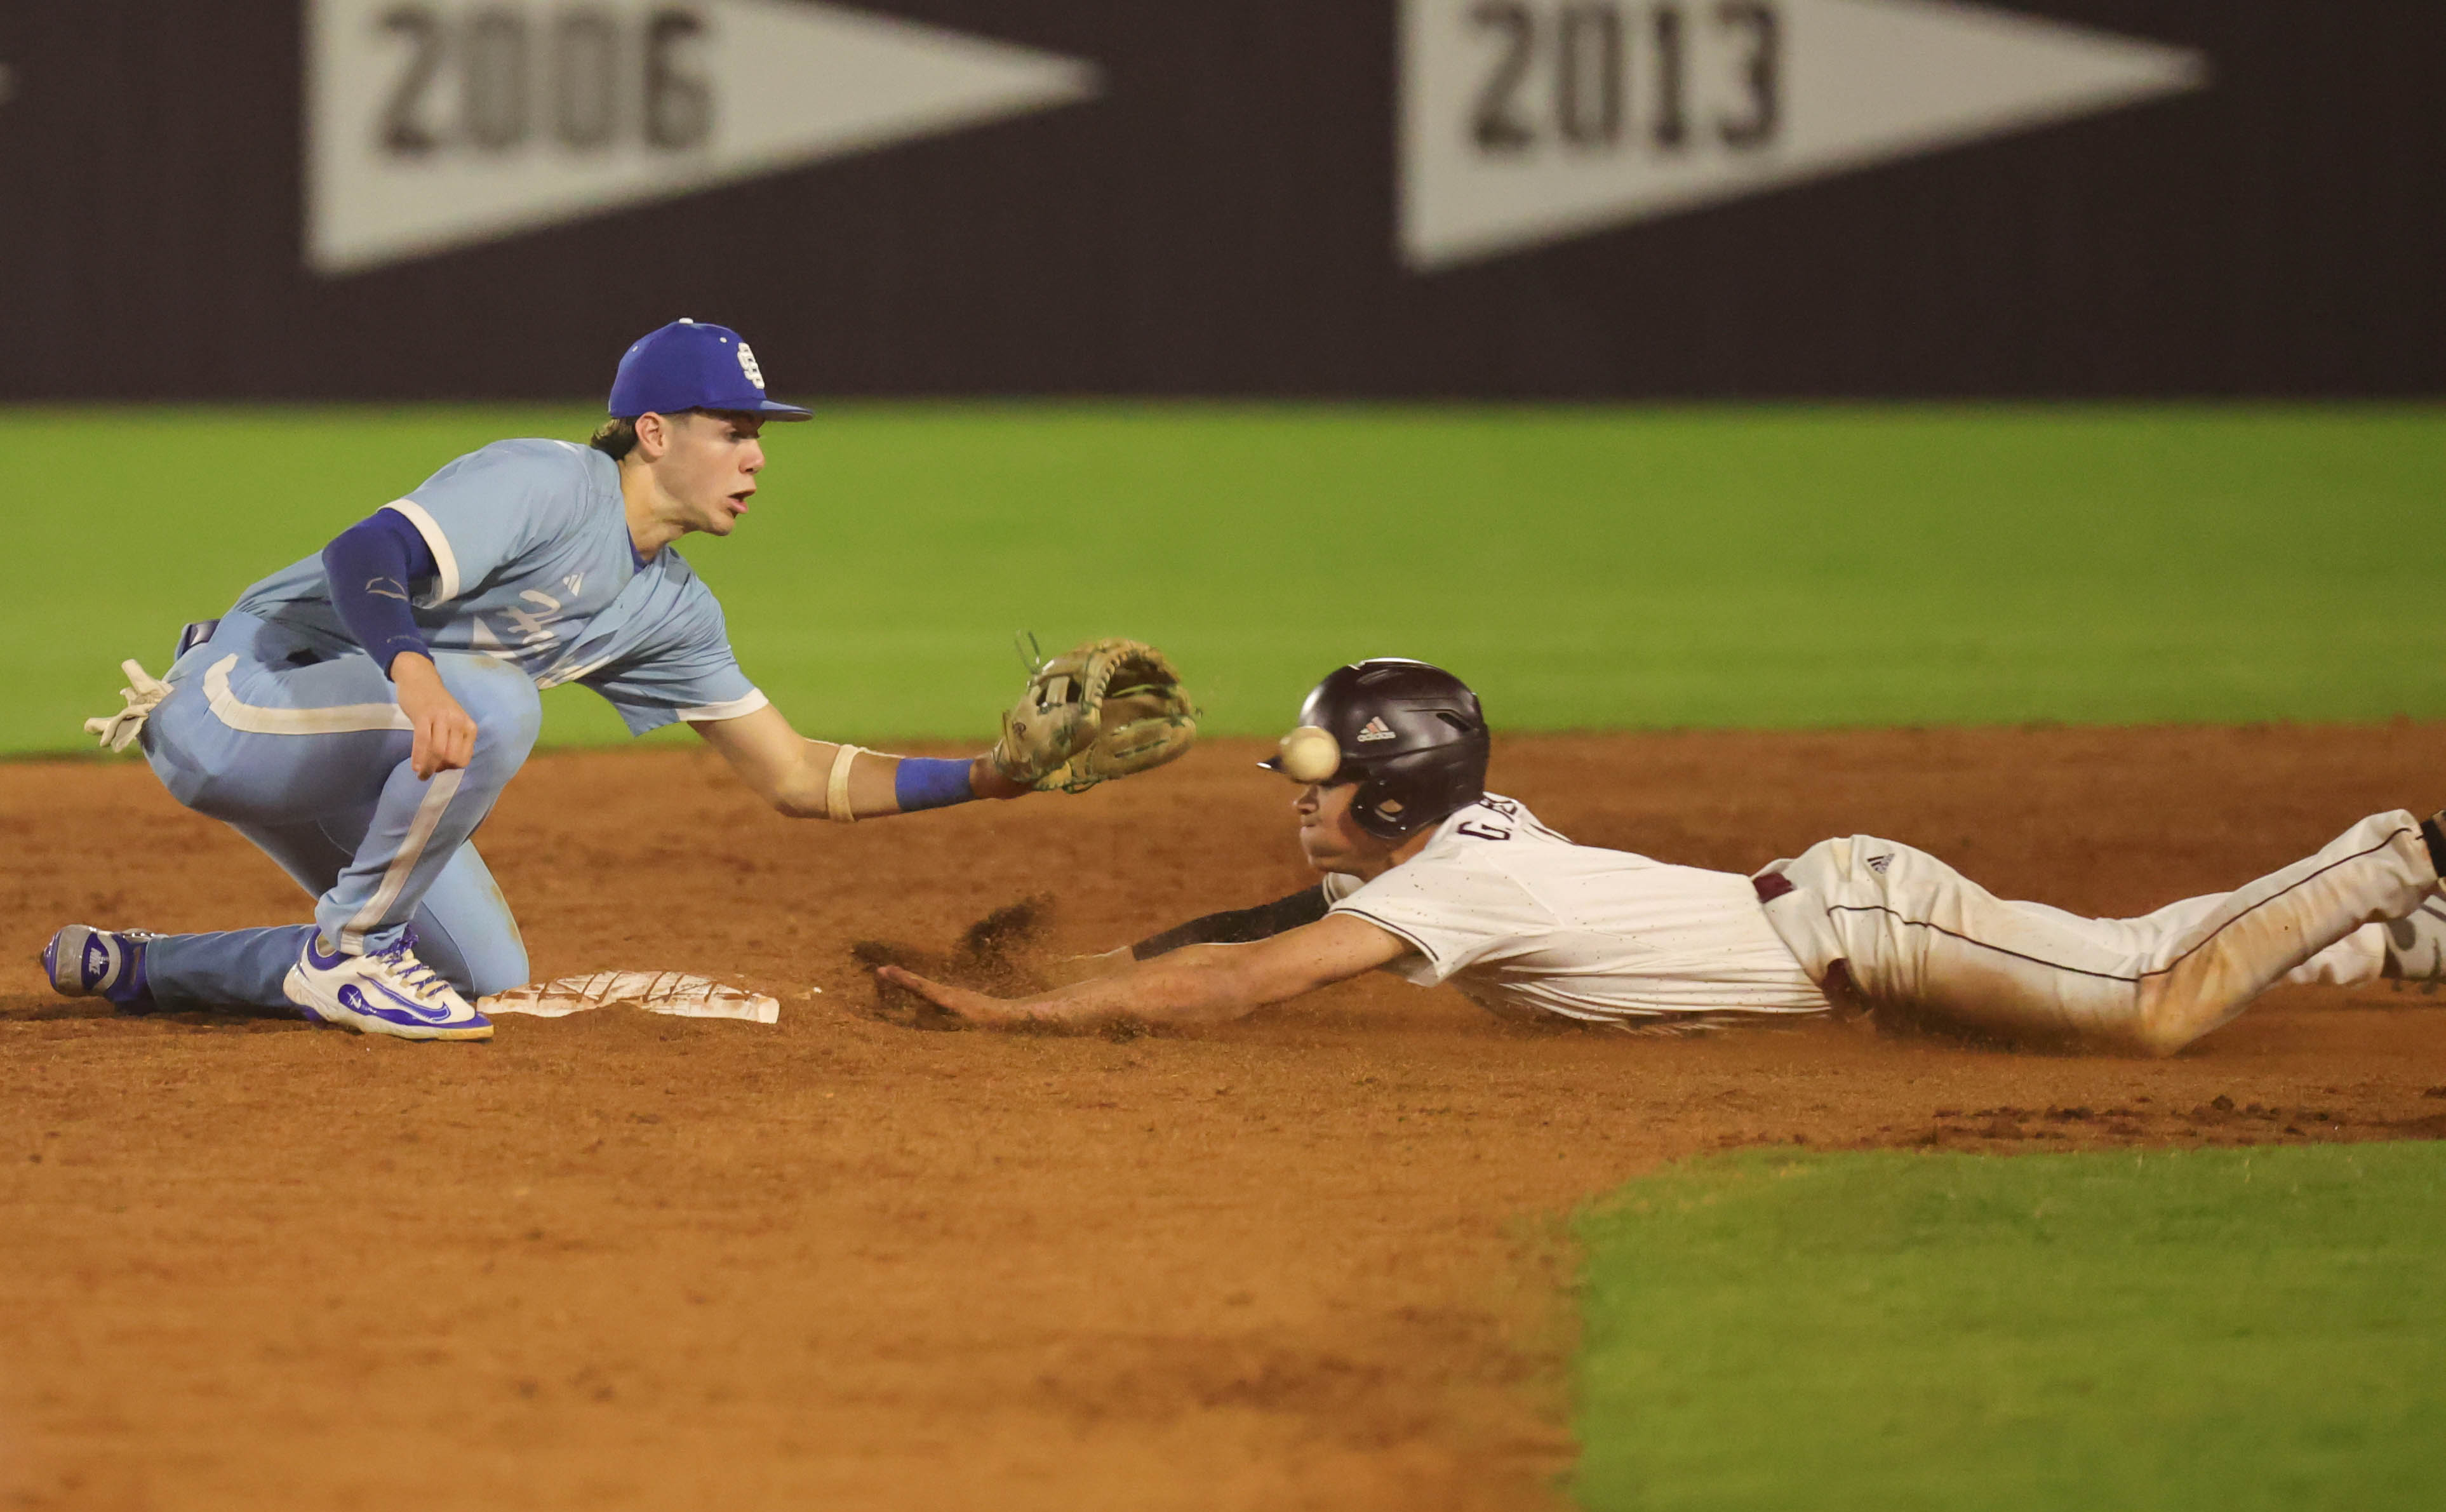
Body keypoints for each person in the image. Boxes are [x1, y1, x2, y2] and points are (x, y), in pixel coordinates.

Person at [43, 320, 1191, 1041]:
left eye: (761, 433)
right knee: (495, 701)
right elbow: (363, 555)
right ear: (652, 431)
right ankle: (347, 957)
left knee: (484, 973)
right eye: (731, 427)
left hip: (368, 741)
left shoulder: (670, 607)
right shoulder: (548, 485)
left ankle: (143, 968)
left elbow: (797, 776)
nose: (755, 454)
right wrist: (414, 674)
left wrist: (992, 779)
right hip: (242, 700)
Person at [880, 659, 2446, 1054]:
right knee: (2104, 945)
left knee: (2152, 1002)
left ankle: (2399, 852)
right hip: (1851, 922)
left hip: (1867, 925)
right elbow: (1252, 918)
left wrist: (1024, 1022)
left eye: (1324, 776)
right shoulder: (1451, 848)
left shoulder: (1464, 884)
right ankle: (2395, 949)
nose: (1301, 798)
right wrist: (1063, 971)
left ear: (1397, 797)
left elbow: (1248, 983)